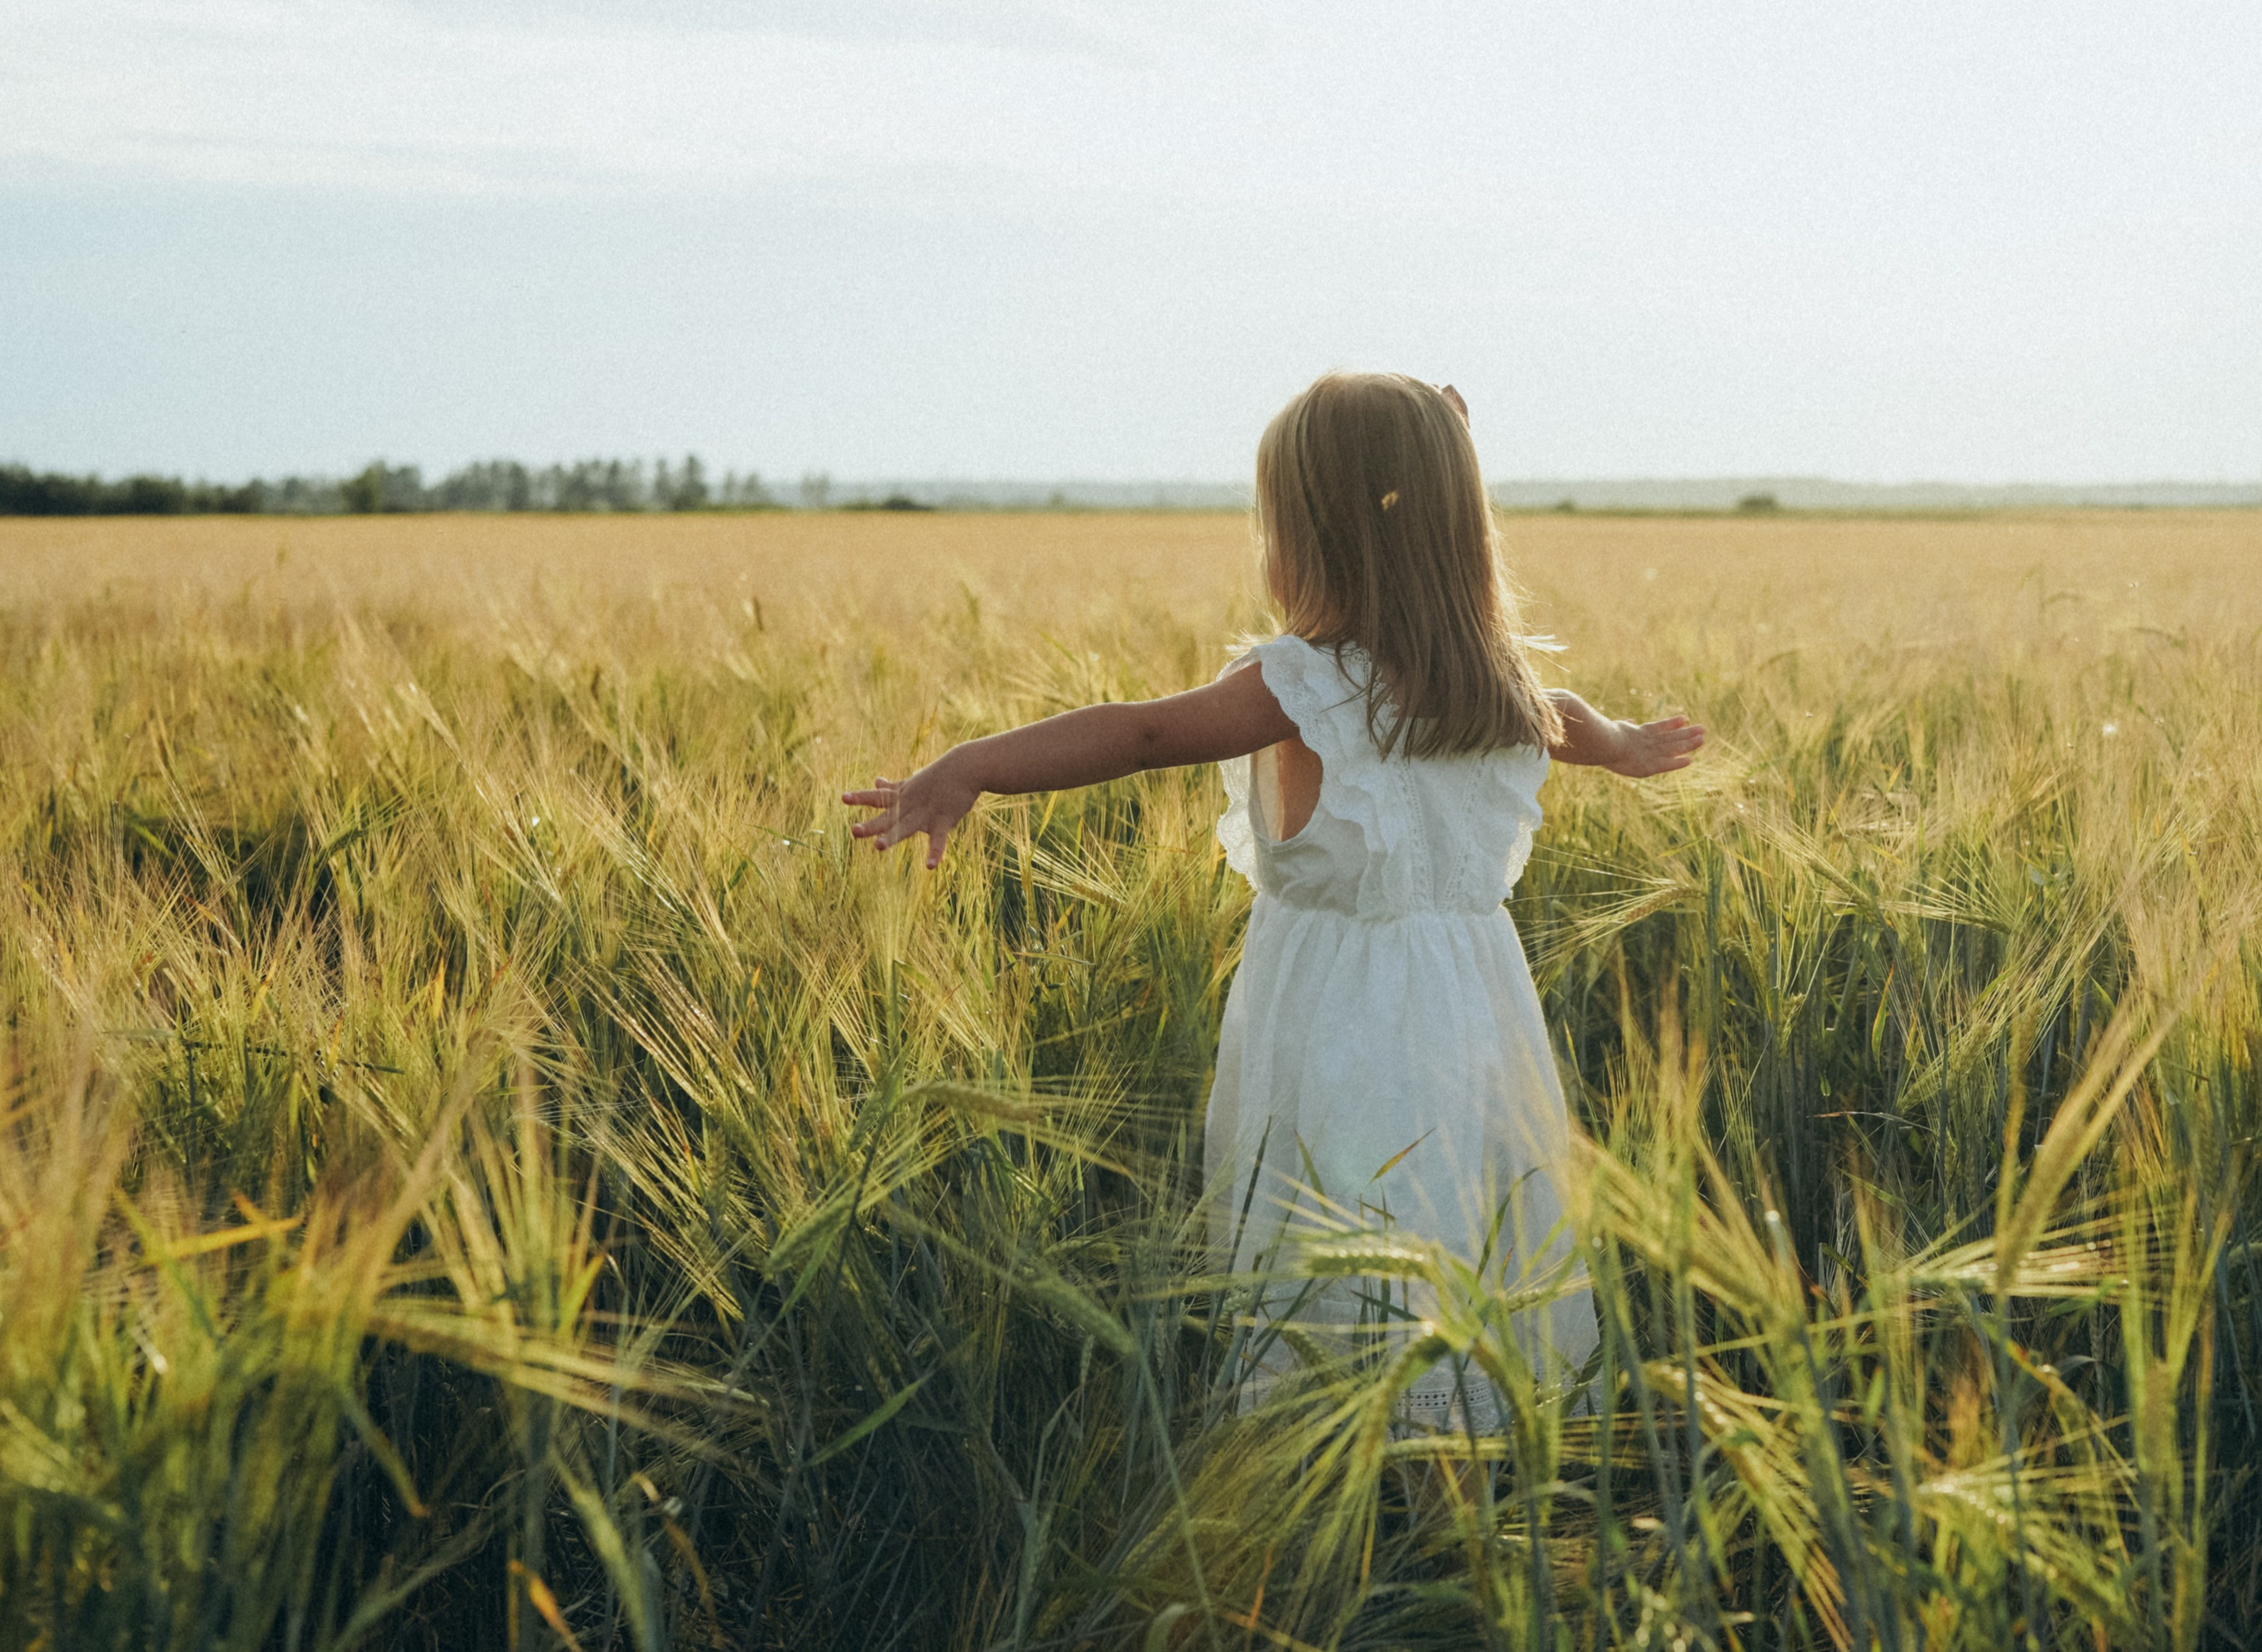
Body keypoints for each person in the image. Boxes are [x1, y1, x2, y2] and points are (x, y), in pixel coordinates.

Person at [843, 371, 1703, 1428]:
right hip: (1472, 1016)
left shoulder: (1304, 681)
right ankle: (1457, 1465)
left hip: (1335, 1017)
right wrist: (1627, 748)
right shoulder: (1504, 684)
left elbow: (1144, 730)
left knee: (1333, 1223)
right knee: (1459, 1211)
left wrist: (973, 764)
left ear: (1312, 538)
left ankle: (1329, 1451)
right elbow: (1577, 720)